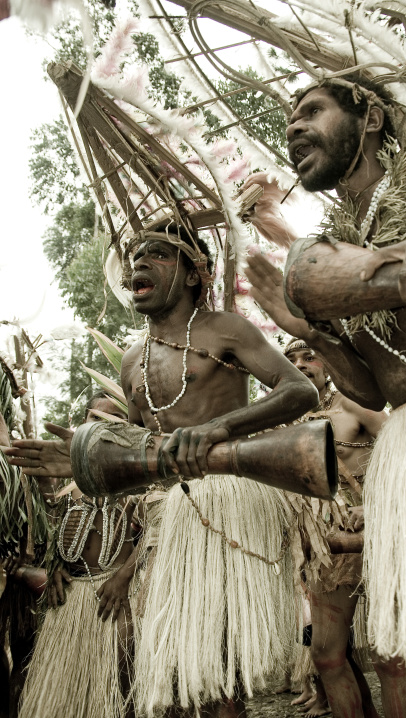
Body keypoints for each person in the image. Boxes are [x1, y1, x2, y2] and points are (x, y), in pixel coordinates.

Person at [245, 70, 406, 716]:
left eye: (311, 109)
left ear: (371, 119)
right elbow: (371, 382)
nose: (293, 127)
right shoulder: (337, 251)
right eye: (288, 119)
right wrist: (310, 329)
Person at [7, 220, 318, 718]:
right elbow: (135, 455)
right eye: (135, 256)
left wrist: (219, 430)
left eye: (158, 253)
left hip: (221, 505)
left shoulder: (224, 329)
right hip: (161, 518)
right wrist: (78, 464)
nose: (139, 263)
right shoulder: (132, 360)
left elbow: (300, 390)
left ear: (194, 274)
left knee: (216, 677)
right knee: (166, 679)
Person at [284, 338, 406, 718]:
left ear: (327, 365)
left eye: (310, 356)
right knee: (325, 653)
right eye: (291, 359)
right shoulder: (285, 423)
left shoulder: (354, 405)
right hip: (327, 547)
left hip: (377, 539)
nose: (301, 364)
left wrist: (374, 506)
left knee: (389, 655)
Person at [17, 391, 137, 718]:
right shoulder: (70, 479)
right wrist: (55, 566)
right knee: (63, 694)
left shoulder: (137, 479)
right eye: (95, 418)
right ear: (83, 422)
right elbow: (55, 527)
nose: (102, 427)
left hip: (117, 597)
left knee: (120, 684)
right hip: (73, 599)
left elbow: (156, 533)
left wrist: (123, 578)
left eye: (115, 420)